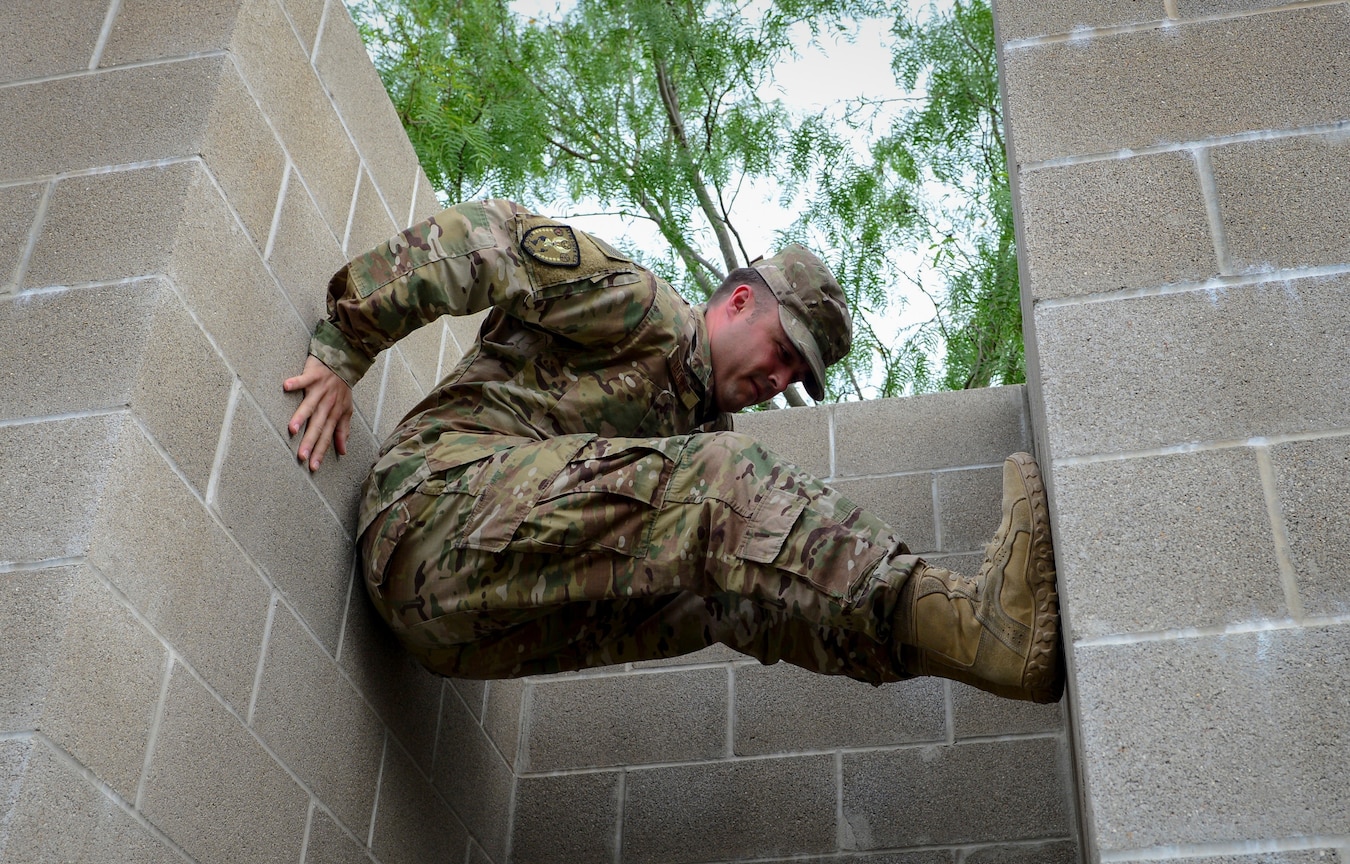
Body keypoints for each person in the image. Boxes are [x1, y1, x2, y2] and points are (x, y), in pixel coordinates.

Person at [284, 198, 1062, 702]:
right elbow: (485, 240)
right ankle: (961, 615)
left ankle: (969, 642)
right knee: (726, 488)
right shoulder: (642, 308)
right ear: (740, 299)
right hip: (426, 513)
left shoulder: (697, 457)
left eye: (796, 374)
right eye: (781, 349)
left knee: (739, 592)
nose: (777, 376)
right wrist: (347, 341)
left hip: (471, 636)